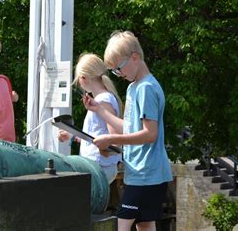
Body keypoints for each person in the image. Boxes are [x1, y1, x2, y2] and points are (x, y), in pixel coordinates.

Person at [84, 31, 172, 231]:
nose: (119, 74)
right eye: (114, 71)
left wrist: (112, 139)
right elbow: (131, 129)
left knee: (122, 225)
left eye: (118, 69)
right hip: (141, 173)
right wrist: (99, 110)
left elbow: (150, 134)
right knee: (144, 225)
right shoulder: (134, 88)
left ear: (135, 57)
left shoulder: (146, 89)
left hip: (146, 174)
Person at [57, 53, 123, 184]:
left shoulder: (103, 100)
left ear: (83, 78)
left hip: (99, 166)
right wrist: (72, 136)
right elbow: (97, 136)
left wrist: (107, 149)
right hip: (100, 165)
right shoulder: (103, 98)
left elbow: (115, 138)